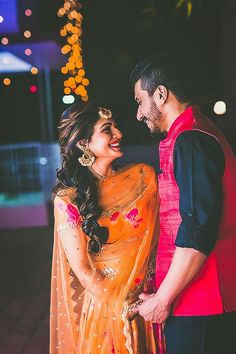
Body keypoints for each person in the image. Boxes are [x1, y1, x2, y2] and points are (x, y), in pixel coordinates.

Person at [130, 51, 236, 354]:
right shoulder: (193, 133)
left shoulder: (191, 139)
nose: (138, 114)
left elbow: (197, 230)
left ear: (160, 94)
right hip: (198, 299)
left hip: (205, 302)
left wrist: (163, 299)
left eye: (140, 101)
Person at [50, 103, 162, 353]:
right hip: (109, 310)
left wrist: (155, 300)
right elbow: (84, 271)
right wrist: (123, 308)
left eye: (115, 127)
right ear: (83, 144)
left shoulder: (143, 178)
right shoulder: (69, 200)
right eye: (107, 129)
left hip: (152, 301)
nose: (119, 134)